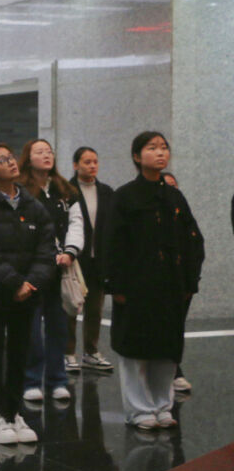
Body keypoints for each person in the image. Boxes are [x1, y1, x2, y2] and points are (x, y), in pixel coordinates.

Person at [105, 133, 203, 430]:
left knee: (166, 349)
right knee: (136, 349)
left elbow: (193, 240)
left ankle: (162, 405)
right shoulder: (125, 196)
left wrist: (190, 281)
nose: (160, 153)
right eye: (152, 148)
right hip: (137, 285)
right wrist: (116, 285)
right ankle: (138, 410)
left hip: (171, 285)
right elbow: (113, 243)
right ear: (137, 156)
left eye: (164, 148)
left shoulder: (174, 196)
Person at [0, 144, 55, 445]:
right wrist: (14, 283)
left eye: (11, 157)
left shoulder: (32, 205)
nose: (11, 162)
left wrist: (31, 283)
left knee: (19, 354)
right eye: (2, 160)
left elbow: (46, 249)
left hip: (27, 295)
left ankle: (14, 412)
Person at [19, 138, 83, 404]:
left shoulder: (65, 189)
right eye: (40, 152)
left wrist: (70, 251)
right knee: (32, 330)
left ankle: (58, 379)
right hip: (31, 270)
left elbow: (76, 223)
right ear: (28, 158)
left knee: (59, 327)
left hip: (60, 269)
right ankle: (31, 380)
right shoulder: (21, 190)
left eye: (49, 151)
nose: (46, 155)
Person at [67, 147, 114, 373]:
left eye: (95, 161)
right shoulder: (66, 190)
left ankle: (91, 351)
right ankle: (68, 352)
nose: (92, 166)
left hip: (99, 259)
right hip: (76, 259)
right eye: (87, 162)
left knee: (95, 309)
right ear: (75, 165)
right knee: (71, 307)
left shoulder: (106, 192)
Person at [162, 172, 193, 394]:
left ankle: (174, 369)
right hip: (157, 281)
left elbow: (195, 243)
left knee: (176, 327)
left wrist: (192, 280)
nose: (172, 190)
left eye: (175, 186)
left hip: (181, 280)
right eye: (167, 186)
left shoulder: (183, 212)